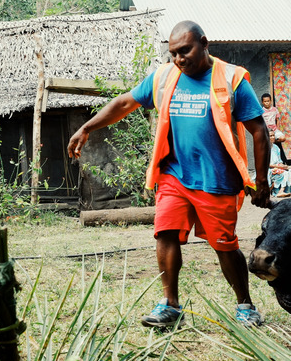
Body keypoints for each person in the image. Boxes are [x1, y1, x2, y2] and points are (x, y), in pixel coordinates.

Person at [67, 21, 271, 328]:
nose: (179, 59)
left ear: (204, 43)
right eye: (173, 53)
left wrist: (262, 180)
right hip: (174, 175)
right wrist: (86, 127)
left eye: (185, 50)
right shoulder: (163, 77)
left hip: (217, 180)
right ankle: (170, 305)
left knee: (224, 245)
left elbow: (259, 131)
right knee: (165, 233)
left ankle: (245, 304)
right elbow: (125, 102)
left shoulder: (231, 78)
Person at [267, 130, 291, 197]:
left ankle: (282, 191)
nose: (273, 137)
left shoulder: (276, 148)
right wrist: (278, 167)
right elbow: (265, 164)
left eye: (273, 135)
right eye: (270, 136)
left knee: (290, 171)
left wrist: (283, 165)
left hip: (277, 167)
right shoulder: (263, 147)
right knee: (283, 173)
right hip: (268, 169)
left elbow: (279, 161)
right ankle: (279, 190)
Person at [261, 93, 288, 164]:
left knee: (282, 138)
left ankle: (272, 141)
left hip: (274, 130)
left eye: (268, 101)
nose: (267, 103)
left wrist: (277, 129)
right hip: (266, 131)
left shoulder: (275, 109)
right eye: (265, 101)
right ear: (262, 102)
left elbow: (278, 120)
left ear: (270, 101)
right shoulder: (261, 111)